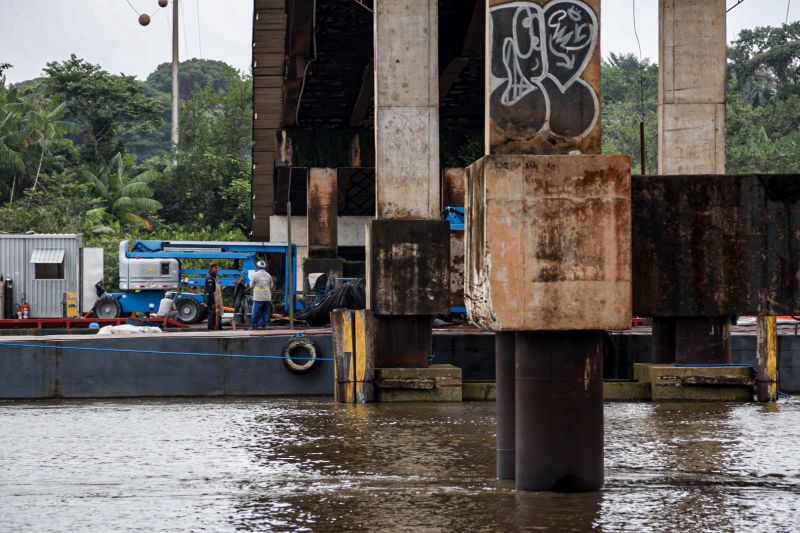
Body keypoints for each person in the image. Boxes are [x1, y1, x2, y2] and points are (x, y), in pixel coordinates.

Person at [249, 260, 273, 330]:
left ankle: (254, 326)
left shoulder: (255, 275)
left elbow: (251, 285)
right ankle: (264, 326)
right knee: (265, 313)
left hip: (258, 297)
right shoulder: (268, 275)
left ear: (257, 266)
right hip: (267, 297)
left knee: (255, 312)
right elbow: (271, 286)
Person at [205, 264, 223, 330]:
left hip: (217, 299)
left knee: (218, 314)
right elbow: (210, 292)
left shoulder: (213, 277)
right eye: (215, 268)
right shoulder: (210, 278)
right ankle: (210, 329)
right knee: (211, 315)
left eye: (217, 268)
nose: (217, 270)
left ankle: (219, 327)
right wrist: (213, 303)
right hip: (212, 299)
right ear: (212, 268)